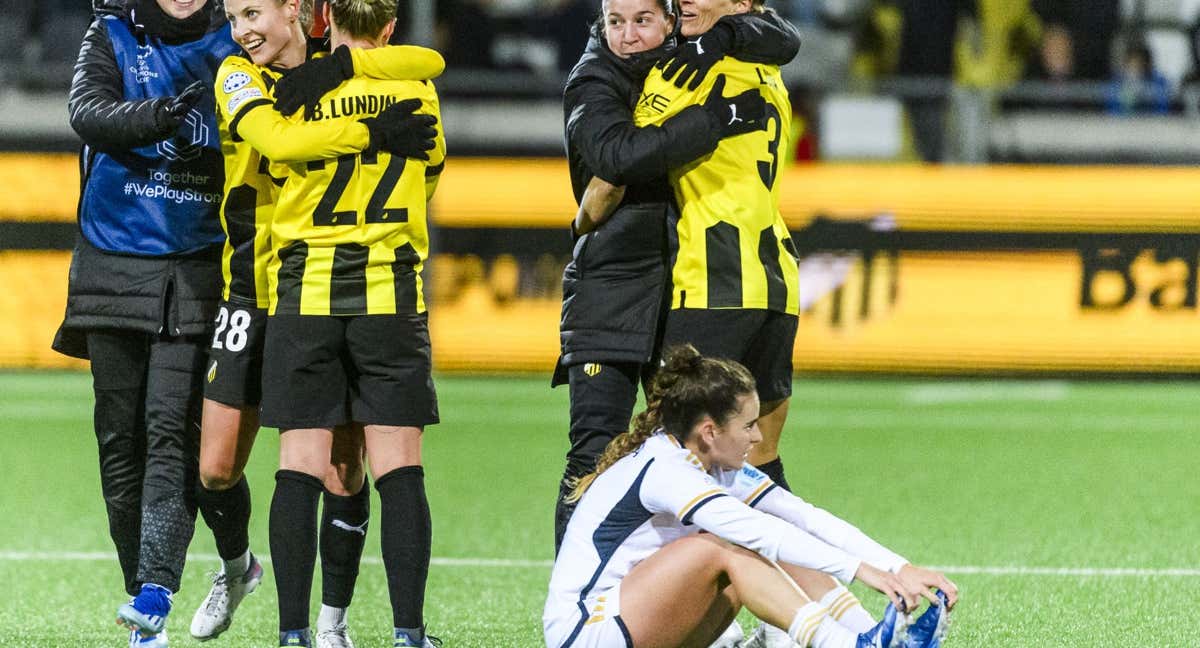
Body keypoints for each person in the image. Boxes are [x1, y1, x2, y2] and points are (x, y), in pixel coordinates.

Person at [192, 0, 446, 646]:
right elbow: (428, 109)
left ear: (305, 14)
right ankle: (239, 570)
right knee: (218, 468)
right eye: (233, 17)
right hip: (255, 286)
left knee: (338, 466)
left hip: (303, 284)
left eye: (253, 12)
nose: (242, 29)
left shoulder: (319, 83)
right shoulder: (244, 76)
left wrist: (343, 74)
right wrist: (371, 127)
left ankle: (322, 625)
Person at [552, 0, 804, 559]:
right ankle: (796, 607)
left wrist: (580, 221)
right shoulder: (768, 68)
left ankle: (618, 598)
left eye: (644, 19)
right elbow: (784, 37)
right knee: (757, 462)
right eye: (617, 21)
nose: (686, 0)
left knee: (677, 461)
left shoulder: (681, 72)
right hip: (776, 273)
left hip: (711, 276)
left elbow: (614, 169)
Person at [545, 345, 957, 648]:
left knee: (782, 534)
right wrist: (864, 573)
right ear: (710, 431)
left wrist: (899, 568)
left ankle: (873, 636)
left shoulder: (713, 463)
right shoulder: (666, 469)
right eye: (748, 426)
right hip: (586, 632)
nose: (758, 437)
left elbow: (805, 518)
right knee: (723, 547)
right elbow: (760, 533)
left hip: (636, 619)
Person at [53, 1, 239, 645]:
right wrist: (161, 115)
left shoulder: (236, 34)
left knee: (169, 430)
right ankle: (143, 592)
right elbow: (86, 112)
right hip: (111, 263)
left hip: (194, 264)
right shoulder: (108, 32)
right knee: (118, 439)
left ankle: (155, 596)